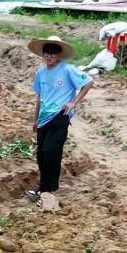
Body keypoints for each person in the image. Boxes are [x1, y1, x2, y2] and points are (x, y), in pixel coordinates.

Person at [26, 36, 92, 204]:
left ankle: (47, 189)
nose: (49, 57)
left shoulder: (68, 70)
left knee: (51, 152)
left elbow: (88, 82)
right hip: (44, 118)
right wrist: (35, 119)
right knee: (41, 154)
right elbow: (39, 97)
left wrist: (74, 102)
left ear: (59, 56)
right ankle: (44, 186)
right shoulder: (40, 72)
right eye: (46, 53)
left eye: (53, 54)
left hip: (60, 115)